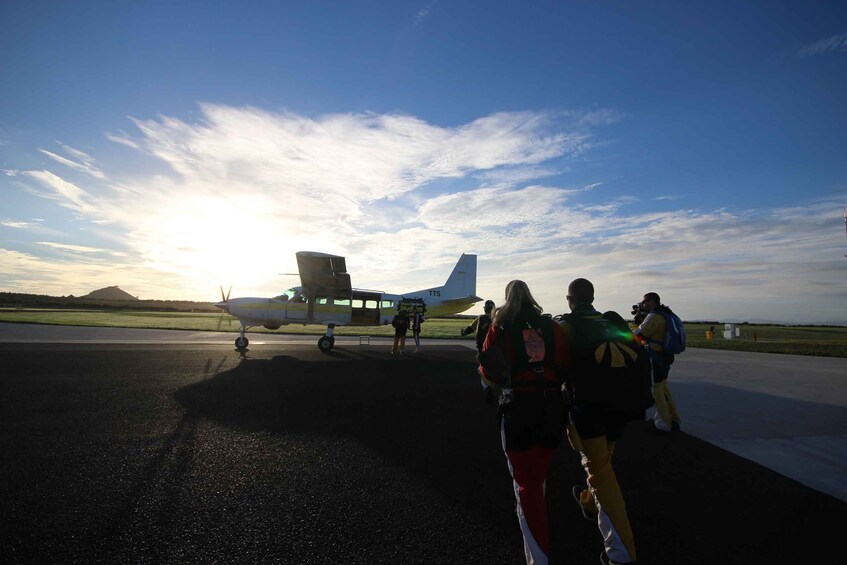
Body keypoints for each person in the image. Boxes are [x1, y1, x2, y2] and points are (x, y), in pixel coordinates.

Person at [478, 281, 569, 565]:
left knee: (525, 485)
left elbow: (489, 373)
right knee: (537, 476)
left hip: (518, 409)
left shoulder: (500, 328)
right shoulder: (552, 327)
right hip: (553, 407)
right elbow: (566, 363)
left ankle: (537, 557)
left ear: (507, 299)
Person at [560, 278, 638, 565]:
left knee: (600, 470)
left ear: (570, 299)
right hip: (623, 404)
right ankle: (589, 502)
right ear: (592, 297)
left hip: (590, 408)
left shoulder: (567, 326)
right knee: (603, 462)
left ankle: (621, 553)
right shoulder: (613, 321)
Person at [633, 292, 682, 434]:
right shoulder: (666, 313)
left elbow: (638, 336)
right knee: (663, 388)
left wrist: (637, 322)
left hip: (655, 357)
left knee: (656, 391)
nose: (643, 305)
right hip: (664, 356)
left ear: (652, 301)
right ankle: (673, 419)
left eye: (645, 302)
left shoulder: (655, 316)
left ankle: (663, 425)